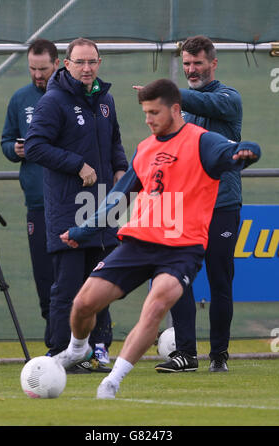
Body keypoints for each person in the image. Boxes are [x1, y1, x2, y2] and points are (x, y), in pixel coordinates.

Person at [53, 78, 260, 399]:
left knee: (156, 305)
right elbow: (117, 198)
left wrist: (249, 152)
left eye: (154, 112)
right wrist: (83, 230)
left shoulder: (202, 141)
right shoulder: (146, 148)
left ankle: (112, 382)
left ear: (176, 109)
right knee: (82, 304)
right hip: (139, 242)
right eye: (145, 113)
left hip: (182, 246)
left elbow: (235, 153)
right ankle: (77, 349)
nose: (148, 119)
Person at [24, 38, 128, 372]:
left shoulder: (106, 99)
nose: (86, 68)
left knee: (101, 282)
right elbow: (36, 146)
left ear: (100, 63)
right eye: (80, 62)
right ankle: (60, 352)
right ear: (66, 64)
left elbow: (115, 143)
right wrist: (76, 164)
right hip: (68, 208)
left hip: (101, 208)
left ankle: (98, 349)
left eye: (92, 62)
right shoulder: (53, 101)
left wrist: (121, 173)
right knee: (68, 285)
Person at [152, 35, 244, 373]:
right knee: (177, 280)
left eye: (198, 63)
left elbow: (206, 104)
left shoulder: (228, 98)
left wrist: (169, 96)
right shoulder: (181, 111)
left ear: (213, 64)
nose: (192, 69)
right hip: (186, 207)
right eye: (187, 64)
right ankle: (186, 354)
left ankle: (219, 355)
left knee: (220, 281)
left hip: (221, 205)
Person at [1, 39, 59, 349]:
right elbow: (6, 142)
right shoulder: (20, 98)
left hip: (69, 201)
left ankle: (85, 341)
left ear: (57, 64)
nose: (38, 75)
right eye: (33, 69)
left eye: (43, 69)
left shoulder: (67, 96)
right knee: (43, 274)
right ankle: (54, 340)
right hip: (36, 202)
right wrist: (16, 149)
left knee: (75, 272)